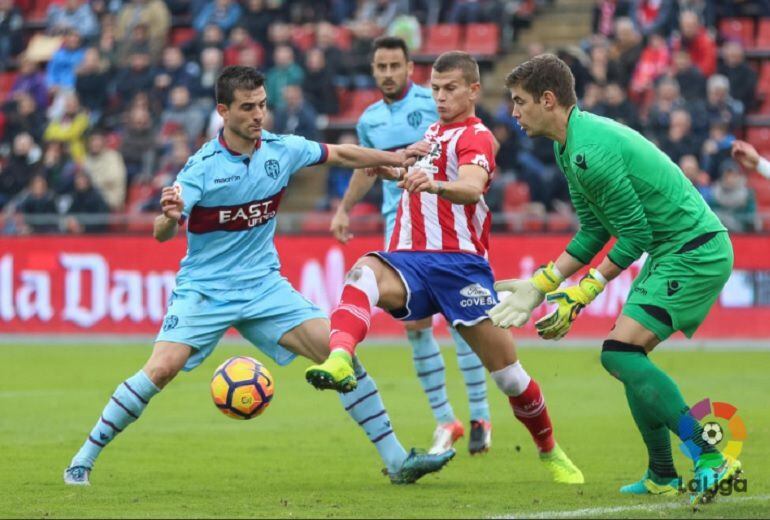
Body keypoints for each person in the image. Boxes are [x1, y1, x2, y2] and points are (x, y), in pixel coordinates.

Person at [63, 66, 454, 487]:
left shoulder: (281, 150)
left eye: (263, 105)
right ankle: (82, 460)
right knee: (160, 370)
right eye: (248, 107)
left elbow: (340, 153)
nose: (258, 115)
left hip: (264, 286)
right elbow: (163, 232)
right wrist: (168, 217)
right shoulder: (201, 169)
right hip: (205, 290)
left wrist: (393, 158)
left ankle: (397, 462)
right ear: (223, 111)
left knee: (340, 355)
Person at [307, 51, 584, 485]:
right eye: (435, 88)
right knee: (362, 272)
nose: (440, 96)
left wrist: (433, 183)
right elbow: (407, 170)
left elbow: (472, 189)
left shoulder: (476, 137)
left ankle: (549, 449)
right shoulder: (431, 135)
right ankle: (341, 358)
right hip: (409, 260)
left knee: (511, 378)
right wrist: (392, 165)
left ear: (474, 90)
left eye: (450, 88)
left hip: (460, 268)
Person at [492, 53, 741, 505]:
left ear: (548, 100)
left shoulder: (591, 151)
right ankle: (662, 474)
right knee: (628, 356)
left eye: (519, 101)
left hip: (693, 250)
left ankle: (711, 458)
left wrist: (584, 291)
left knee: (619, 354)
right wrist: (541, 284)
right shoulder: (568, 145)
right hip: (675, 249)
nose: (514, 112)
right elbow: (594, 231)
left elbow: (635, 236)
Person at [329, 37, 494, 456]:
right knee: (415, 327)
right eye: (379, 67)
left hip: (448, 223)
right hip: (400, 225)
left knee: (464, 325)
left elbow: (470, 154)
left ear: (409, 68)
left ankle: (479, 416)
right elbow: (369, 168)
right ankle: (446, 418)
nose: (387, 74)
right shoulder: (369, 119)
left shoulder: (438, 103)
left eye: (394, 66)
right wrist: (345, 209)